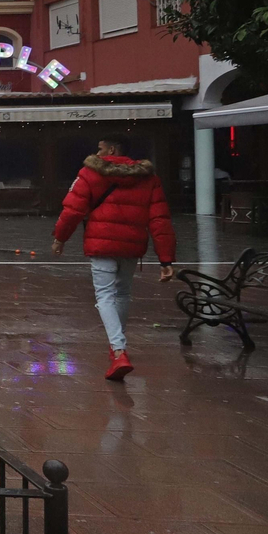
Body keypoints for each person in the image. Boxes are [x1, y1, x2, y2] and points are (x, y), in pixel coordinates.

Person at [52, 135, 176, 381]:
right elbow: (160, 220)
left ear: (112, 149)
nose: (97, 154)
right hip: (131, 246)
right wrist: (166, 260)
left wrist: (60, 238)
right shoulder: (148, 178)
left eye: (100, 149)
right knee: (123, 294)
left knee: (105, 296)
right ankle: (116, 347)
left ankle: (119, 351)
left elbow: (72, 210)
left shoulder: (90, 174)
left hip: (102, 244)